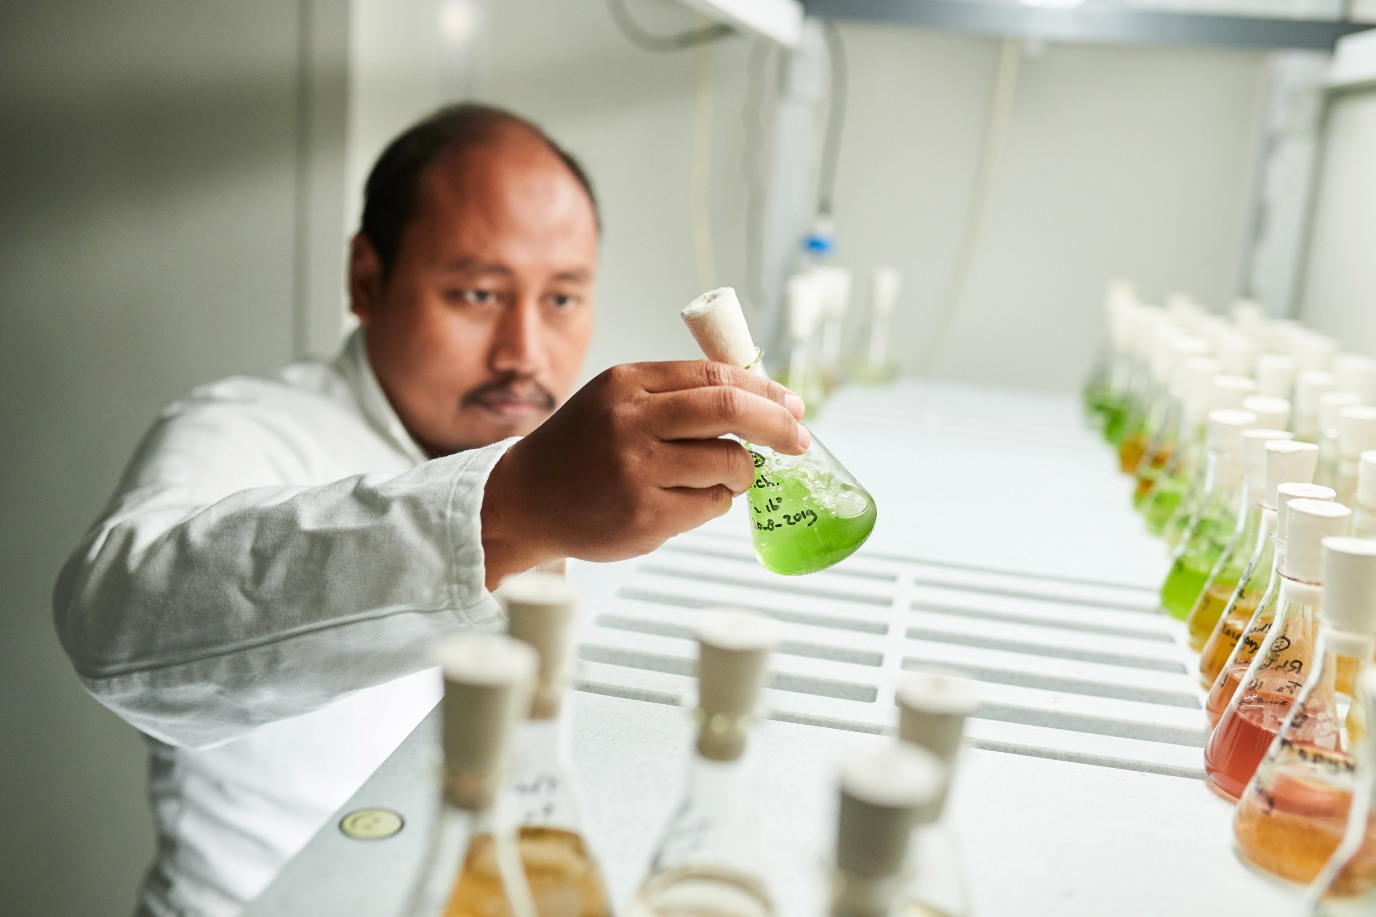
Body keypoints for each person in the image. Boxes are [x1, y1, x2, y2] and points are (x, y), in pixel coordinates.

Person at [53, 103, 806, 916]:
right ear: (367, 281)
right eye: (479, 292)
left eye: (561, 300)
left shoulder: (605, 469)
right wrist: (512, 505)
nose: (524, 350)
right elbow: (115, 624)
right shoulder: (242, 429)